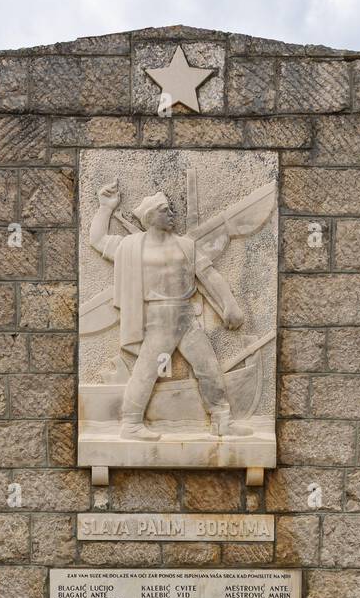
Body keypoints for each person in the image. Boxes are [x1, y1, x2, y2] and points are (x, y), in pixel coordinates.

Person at [89, 181, 254, 441]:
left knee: (208, 366)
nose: (172, 214)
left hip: (185, 316)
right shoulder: (132, 246)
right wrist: (105, 207)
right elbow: (97, 239)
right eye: (166, 210)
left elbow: (209, 275)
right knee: (146, 370)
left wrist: (229, 304)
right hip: (157, 318)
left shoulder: (185, 245)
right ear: (150, 217)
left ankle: (222, 420)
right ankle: (131, 424)